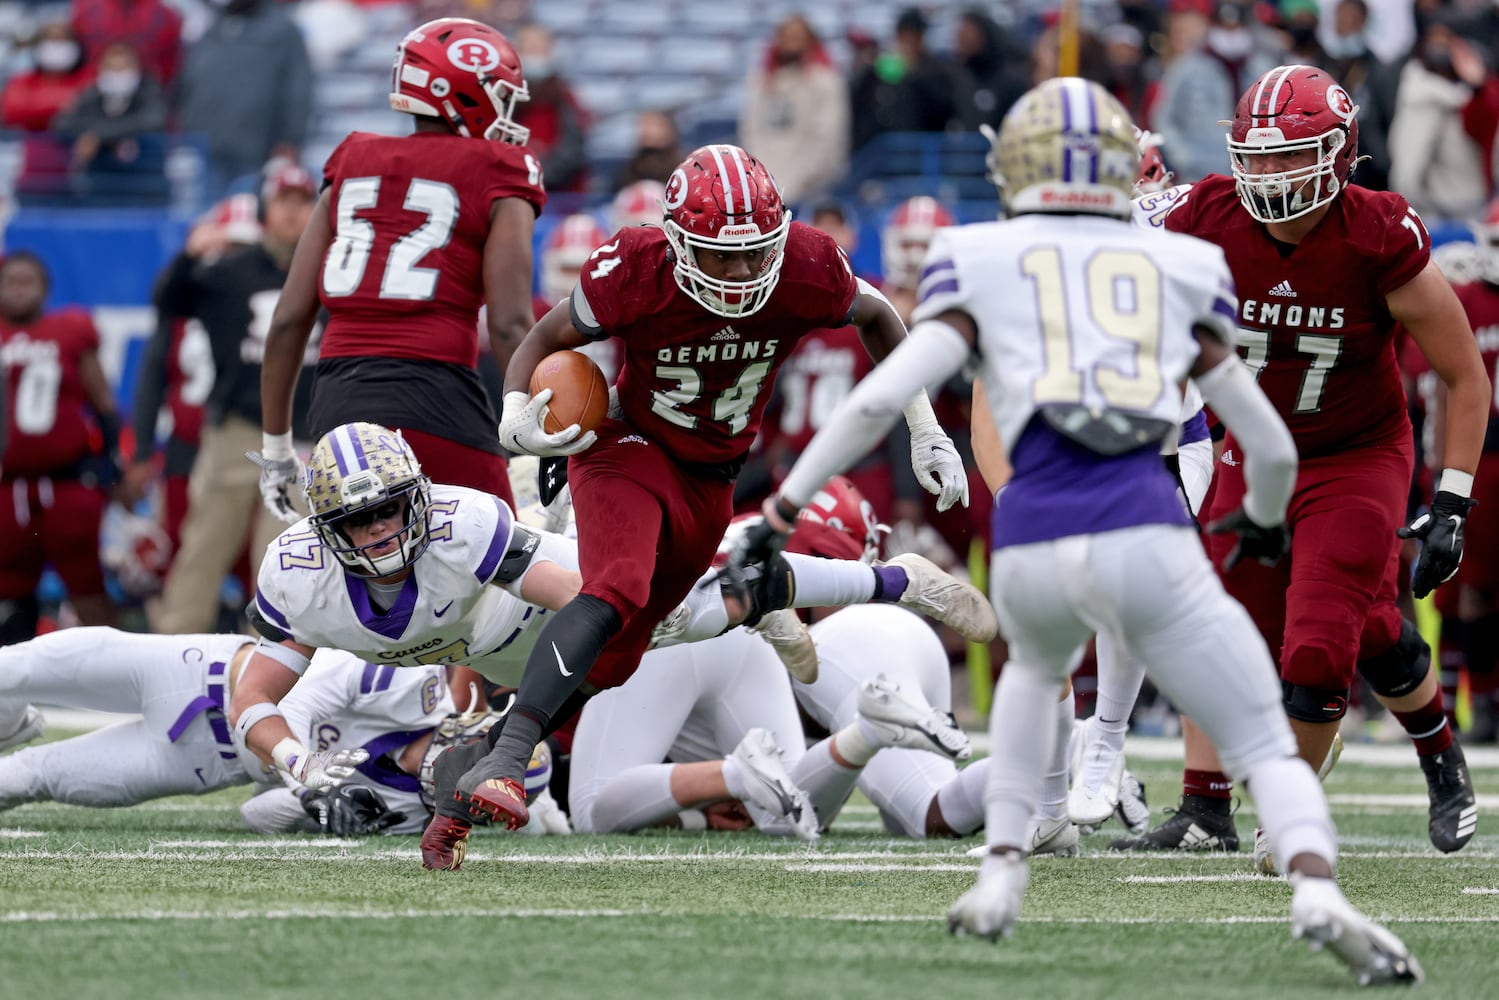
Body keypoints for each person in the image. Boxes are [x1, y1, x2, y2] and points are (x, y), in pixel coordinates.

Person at [730, 77, 1421, 985]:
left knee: (1029, 688)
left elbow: (879, 397)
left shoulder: (975, 256)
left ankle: (1003, 873)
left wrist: (784, 508)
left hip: (1033, 533)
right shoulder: (1183, 264)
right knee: (1256, 724)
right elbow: (1256, 434)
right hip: (1143, 521)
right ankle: (1316, 889)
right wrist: (1259, 520)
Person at [449, 142, 972, 837]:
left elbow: (879, 318)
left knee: (626, 647)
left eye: (756, 252)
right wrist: (515, 405)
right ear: (675, 240)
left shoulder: (805, 264)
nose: (741, 270)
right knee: (616, 588)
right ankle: (510, 756)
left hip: (714, 474)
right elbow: (543, 336)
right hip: (629, 448)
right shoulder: (635, 264)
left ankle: (492, 748)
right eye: (720, 254)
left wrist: (923, 426)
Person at [230, 420, 990, 868]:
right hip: (487, 651)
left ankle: (896, 581)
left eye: (393, 510)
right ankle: (718, 596)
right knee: (702, 606)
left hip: (545, 607)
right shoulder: (299, 577)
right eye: (359, 523)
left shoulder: (459, 525)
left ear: (420, 498)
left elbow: (576, 605)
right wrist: (303, 769)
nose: (382, 533)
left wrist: (519, 722)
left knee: (697, 601)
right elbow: (252, 693)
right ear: (325, 533)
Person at [1116, 64, 1486, 862]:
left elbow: (1463, 373)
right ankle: (1423, 757)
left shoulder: (1377, 233)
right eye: (1258, 155)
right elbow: (1105, 250)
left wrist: (1452, 500)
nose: (1271, 173)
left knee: (1316, 647)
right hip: (1252, 451)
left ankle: (1286, 808)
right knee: (1232, 623)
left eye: (1291, 156)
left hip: (1355, 456)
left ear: (1338, 153)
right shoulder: (1205, 212)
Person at [254, 17, 546, 520]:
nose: (508, 109)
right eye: (498, 94)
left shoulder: (351, 158)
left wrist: (278, 449)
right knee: (510, 567)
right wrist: (538, 430)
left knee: (375, 572)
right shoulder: (501, 167)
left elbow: (288, 319)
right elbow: (509, 322)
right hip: (435, 398)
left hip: (335, 406)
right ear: (459, 92)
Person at [0, 625, 459, 837]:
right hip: (194, 673)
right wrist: (307, 777)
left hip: (200, 762)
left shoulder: (408, 813)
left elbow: (255, 814)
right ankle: (11, 720)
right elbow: (290, 703)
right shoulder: (412, 688)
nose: (456, 782)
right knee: (11, 669)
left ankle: (13, 725)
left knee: (27, 778)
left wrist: (321, 817)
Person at [150, 162, 319, 635]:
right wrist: (188, 257)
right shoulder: (229, 269)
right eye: (284, 202)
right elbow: (168, 303)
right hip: (240, 426)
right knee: (206, 543)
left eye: (303, 202)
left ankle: (269, 658)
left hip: (304, 431)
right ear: (265, 208)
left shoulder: (327, 271)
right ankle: (177, 645)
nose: (294, 213)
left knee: (287, 553)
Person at [0, 252, 122, 637]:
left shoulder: (69, 330)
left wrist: (111, 464)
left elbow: (102, 401)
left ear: (45, 290)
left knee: (86, 583)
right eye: (11, 282)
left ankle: (115, 676)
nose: (19, 291)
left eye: (27, 282)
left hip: (66, 482)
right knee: (8, 588)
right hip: (7, 485)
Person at [737, 14, 849, 204]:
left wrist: (803, 181)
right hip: (763, 187)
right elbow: (750, 131)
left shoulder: (825, 82)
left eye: (798, 38)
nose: (791, 44)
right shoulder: (762, 82)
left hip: (811, 189)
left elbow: (829, 136)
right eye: (786, 37)